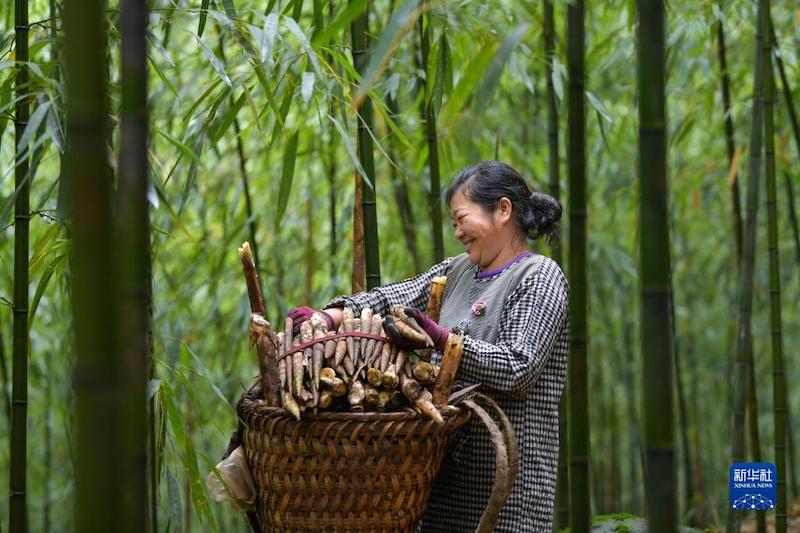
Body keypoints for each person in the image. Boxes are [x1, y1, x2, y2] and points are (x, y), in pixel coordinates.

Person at [288, 161, 569, 531]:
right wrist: (333, 316)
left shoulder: (540, 276)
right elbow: (394, 298)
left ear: (503, 210)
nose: (457, 232)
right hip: (442, 486)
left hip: (508, 491)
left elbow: (518, 367)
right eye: (453, 223)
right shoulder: (457, 272)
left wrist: (442, 340)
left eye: (461, 219)